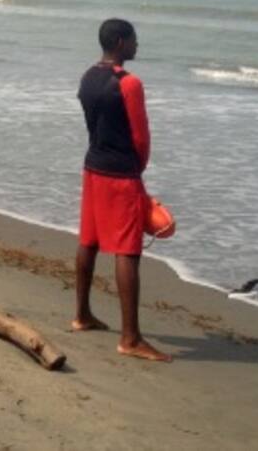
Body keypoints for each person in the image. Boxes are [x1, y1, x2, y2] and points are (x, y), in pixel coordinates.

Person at [72, 18, 170, 362]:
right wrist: (136, 172)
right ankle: (130, 339)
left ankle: (82, 315)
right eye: (133, 40)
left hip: (93, 167)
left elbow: (93, 124)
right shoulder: (129, 83)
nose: (137, 45)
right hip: (120, 174)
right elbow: (141, 137)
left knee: (89, 240)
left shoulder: (88, 77)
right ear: (119, 42)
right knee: (128, 251)